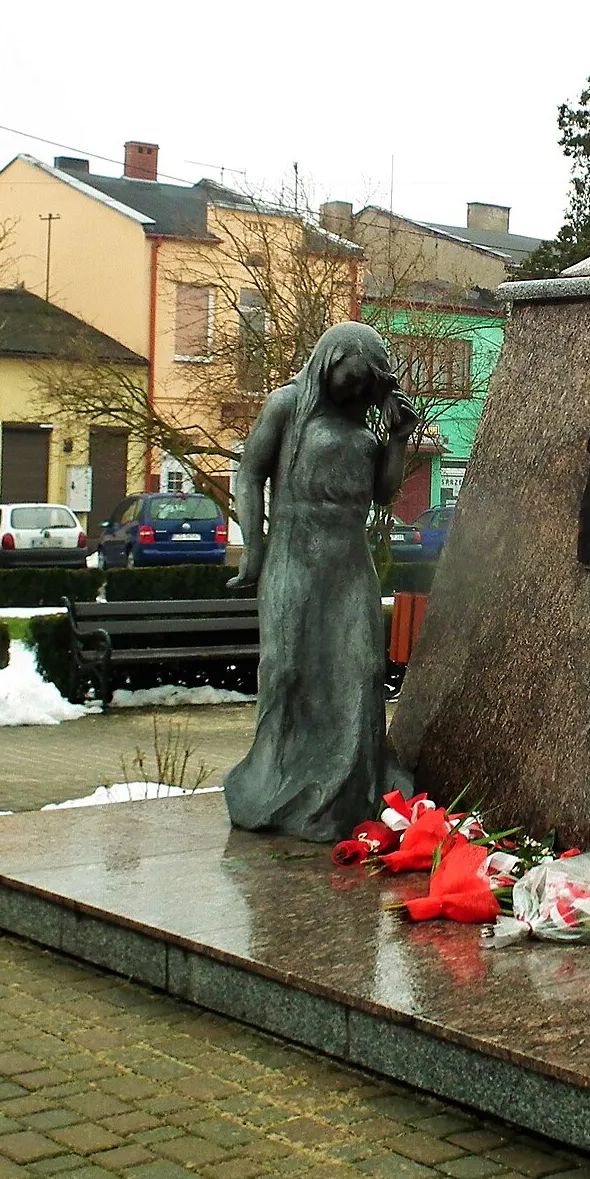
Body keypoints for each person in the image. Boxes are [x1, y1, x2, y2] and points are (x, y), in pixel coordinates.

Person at [222, 321, 417, 841]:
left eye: (364, 386)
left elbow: (382, 492)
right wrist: (254, 549)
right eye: (349, 381)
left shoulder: (365, 424)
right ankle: (272, 785)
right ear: (328, 362)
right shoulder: (287, 406)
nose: (355, 393)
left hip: (349, 562)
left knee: (357, 669)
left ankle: (346, 794)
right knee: (286, 669)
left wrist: (397, 438)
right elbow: (248, 474)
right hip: (294, 556)